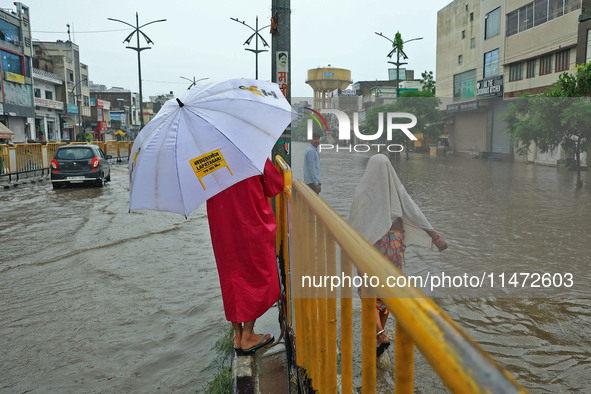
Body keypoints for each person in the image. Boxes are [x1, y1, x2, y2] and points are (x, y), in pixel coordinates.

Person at [349, 154, 447, 357]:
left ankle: (380, 335)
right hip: (395, 245)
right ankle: (379, 338)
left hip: (372, 247)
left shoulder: (362, 192)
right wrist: (435, 237)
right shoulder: (396, 189)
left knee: (367, 290)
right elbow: (414, 212)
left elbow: (356, 223)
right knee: (386, 291)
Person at [207, 158, 284, 354]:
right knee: (258, 277)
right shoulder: (250, 151)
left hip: (222, 226)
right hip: (251, 224)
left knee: (231, 277)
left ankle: (238, 334)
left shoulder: (206, 157)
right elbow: (275, 186)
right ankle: (248, 335)